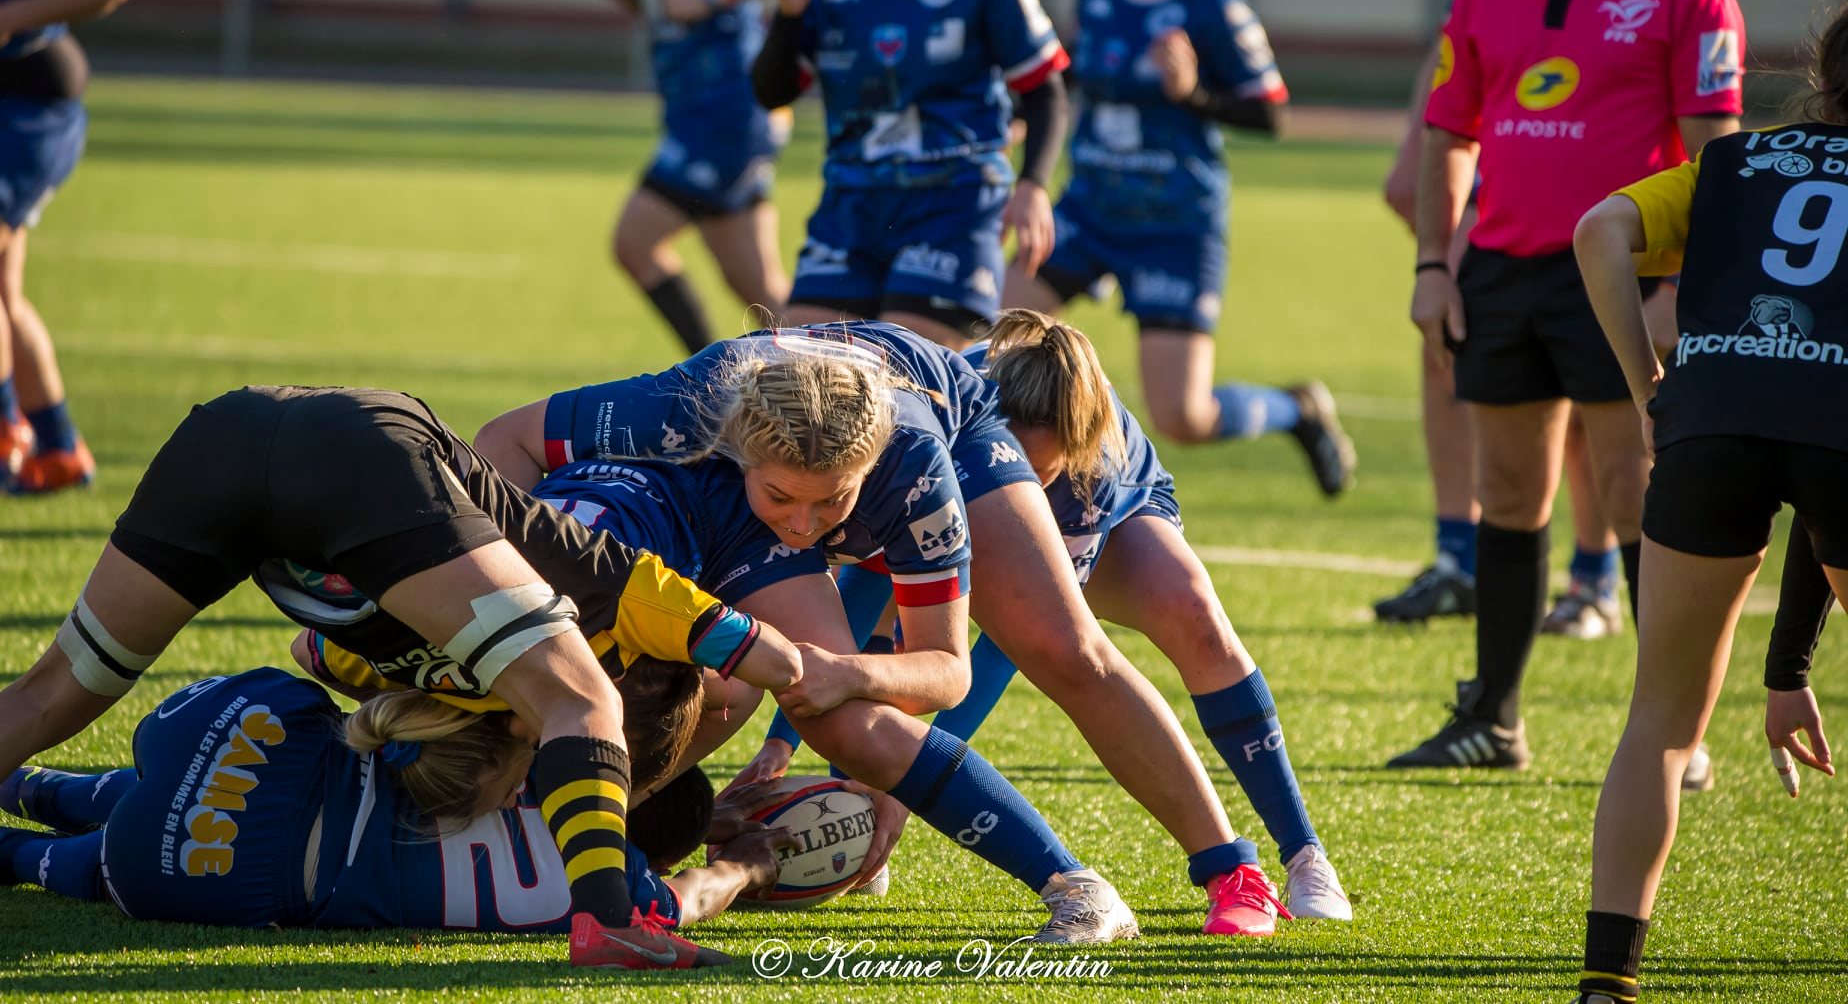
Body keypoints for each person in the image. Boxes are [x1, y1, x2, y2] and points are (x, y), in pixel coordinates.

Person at [477, 320, 1299, 937]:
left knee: (1057, 647)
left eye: (831, 504)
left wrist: (855, 674)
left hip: (940, 418)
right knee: (716, 689)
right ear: (741, 455)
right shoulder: (676, 410)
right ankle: (569, 827)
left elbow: (948, 669)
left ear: (867, 474)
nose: (806, 529)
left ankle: (1211, 872)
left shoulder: (915, 469)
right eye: (785, 499)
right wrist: (500, 583)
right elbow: (502, 439)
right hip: (720, 506)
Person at [0, 384, 801, 970]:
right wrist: (832, 681)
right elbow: (775, 660)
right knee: (578, 697)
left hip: (224, 435)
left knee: (52, 693)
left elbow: (319, 657)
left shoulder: (461, 651)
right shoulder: (609, 586)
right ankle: (607, 923)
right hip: (364, 449)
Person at [749, 309, 1354, 919]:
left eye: (1037, 477)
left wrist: (901, 780)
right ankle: (856, 806)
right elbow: (858, 592)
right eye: (1016, 473)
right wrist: (788, 743)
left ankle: (1302, 855)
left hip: (1119, 513)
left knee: (1191, 609)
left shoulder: (1089, 474)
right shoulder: (956, 424)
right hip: (973, 476)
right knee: (891, 613)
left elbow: (1012, 648)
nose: (1023, 498)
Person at [1392, 0, 1744, 772]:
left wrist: (1682, 289)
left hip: (1622, 274)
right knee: (1507, 493)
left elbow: (1718, 159)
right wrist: (1434, 265)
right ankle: (1494, 719)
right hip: (1500, 270)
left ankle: (1677, 730)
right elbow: (1448, 136)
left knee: (1636, 496)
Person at [1566, 4, 1848, 1004]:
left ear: (1821, 79)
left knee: (1663, 723)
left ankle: (1607, 982)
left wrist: (1652, 390)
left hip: (1711, 422)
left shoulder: (1734, 165)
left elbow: (1600, 229)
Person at [1001, 0, 1353, 495]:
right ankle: (1019, 485)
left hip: (1174, 225)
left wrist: (1192, 92)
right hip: (1089, 211)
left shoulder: (1214, 6)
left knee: (1183, 417)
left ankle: (1298, 409)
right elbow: (1080, 71)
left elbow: (1271, 113)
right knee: (995, 332)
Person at [0, 665, 792, 931]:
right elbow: (682, 901)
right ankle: (24, 845)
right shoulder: (596, 876)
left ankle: (29, 782)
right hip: (195, 869)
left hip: (244, 733)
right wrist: (749, 867)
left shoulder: (504, 723)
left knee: (118, 789)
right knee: (54, 858)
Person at [751, 0, 1068, 349]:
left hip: (952, 200)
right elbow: (770, 92)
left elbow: (1044, 91)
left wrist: (1034, 185)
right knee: (799, 377)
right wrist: (787, 15)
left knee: (905, 373)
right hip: (851, 203)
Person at [592, 0, 803, 354]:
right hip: (691, 108)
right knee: (764, 298)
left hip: (731, 106)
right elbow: (666, 7)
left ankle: (714, 386)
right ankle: (842, 402)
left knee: (633, 244)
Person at [0, 0, 134, 490]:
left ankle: (6, 434)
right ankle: (55, 446)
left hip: (24, 110)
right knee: (5, 289)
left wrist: (9, 16)